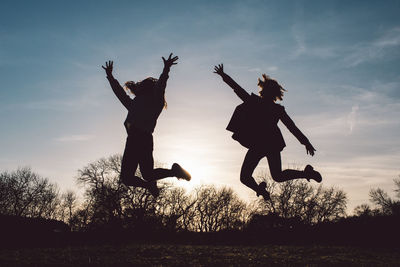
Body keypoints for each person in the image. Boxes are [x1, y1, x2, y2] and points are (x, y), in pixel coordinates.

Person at [213, 64, 322, 200]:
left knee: (272, 176)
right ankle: (262, 190)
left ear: (269, 93)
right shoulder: (257, 102)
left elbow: (292, 127)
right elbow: (238, 89)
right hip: (261, 144)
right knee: (252, 177)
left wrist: (306, 142)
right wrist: (224, 76)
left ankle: (306, 174)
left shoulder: (273, 108)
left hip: (269, 144)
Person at [102, 53, 191, 197]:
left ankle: (166, 175)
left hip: (139, 138)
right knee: (145, 175)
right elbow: (120, 94)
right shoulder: (136, 103)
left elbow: (161, 86)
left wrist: (166, 70)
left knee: (130, 177)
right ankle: (172, 172)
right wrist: (110, 77)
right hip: (139, 139)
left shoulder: (156, 102)